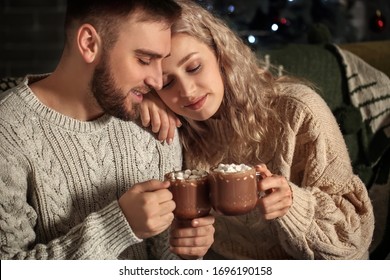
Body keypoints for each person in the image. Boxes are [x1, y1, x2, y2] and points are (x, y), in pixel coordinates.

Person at [140, 0, 374, 259]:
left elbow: (353, 242)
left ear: (220, 55)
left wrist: (294, 205)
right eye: (166, 83)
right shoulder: (177, 131)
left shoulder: (298, 111)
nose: (187, 91)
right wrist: (143, 98)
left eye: (194, 67)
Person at [0, 0, 215, 260]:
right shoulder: (8, 130)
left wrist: (186, 250)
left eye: (161, 62)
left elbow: (165, 261)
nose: (158, 81)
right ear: (89, 43)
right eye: (144, 60)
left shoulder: (156, 123)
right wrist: (118, 226)